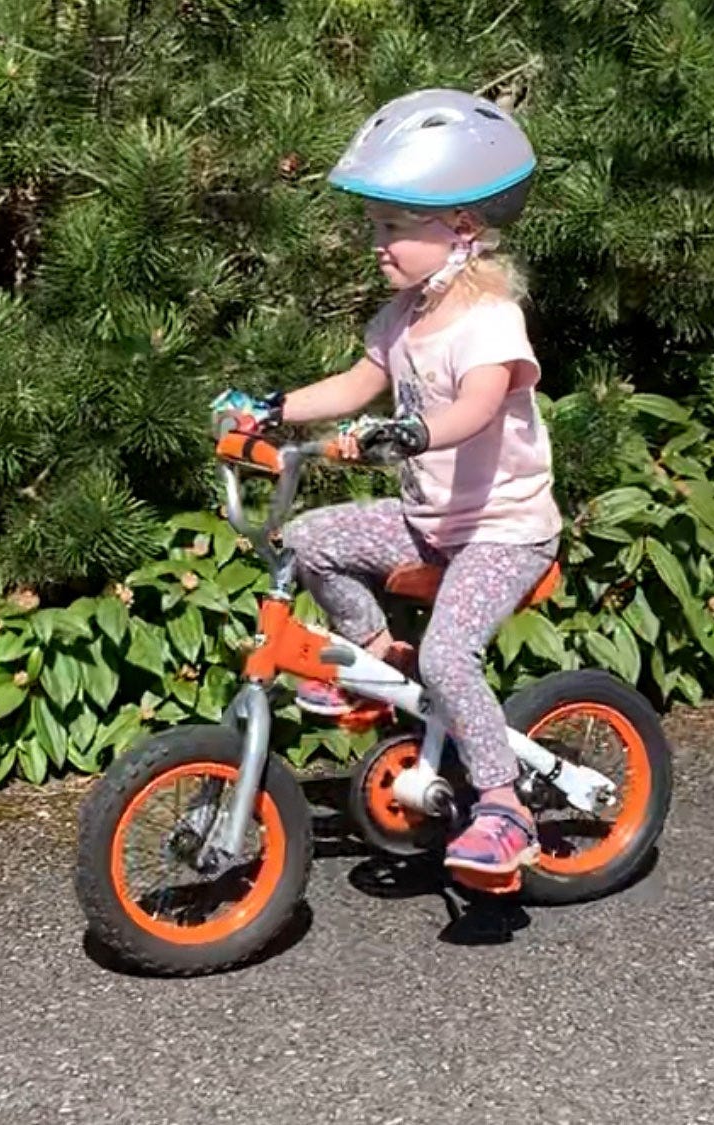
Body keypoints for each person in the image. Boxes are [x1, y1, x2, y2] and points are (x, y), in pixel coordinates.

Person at [213, 88, 563, 878]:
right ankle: (377, 664)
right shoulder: (402, 316)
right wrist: (270, 409)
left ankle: (502, 805)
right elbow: (353, 385)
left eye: (394, 227)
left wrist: (412, 431)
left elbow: (477, 405)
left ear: (461, 227)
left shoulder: (489, 320)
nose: (377, 244)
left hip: (504, 531)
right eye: (374, 226)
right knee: (308, 538)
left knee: (450, 657)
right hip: (429, 518)